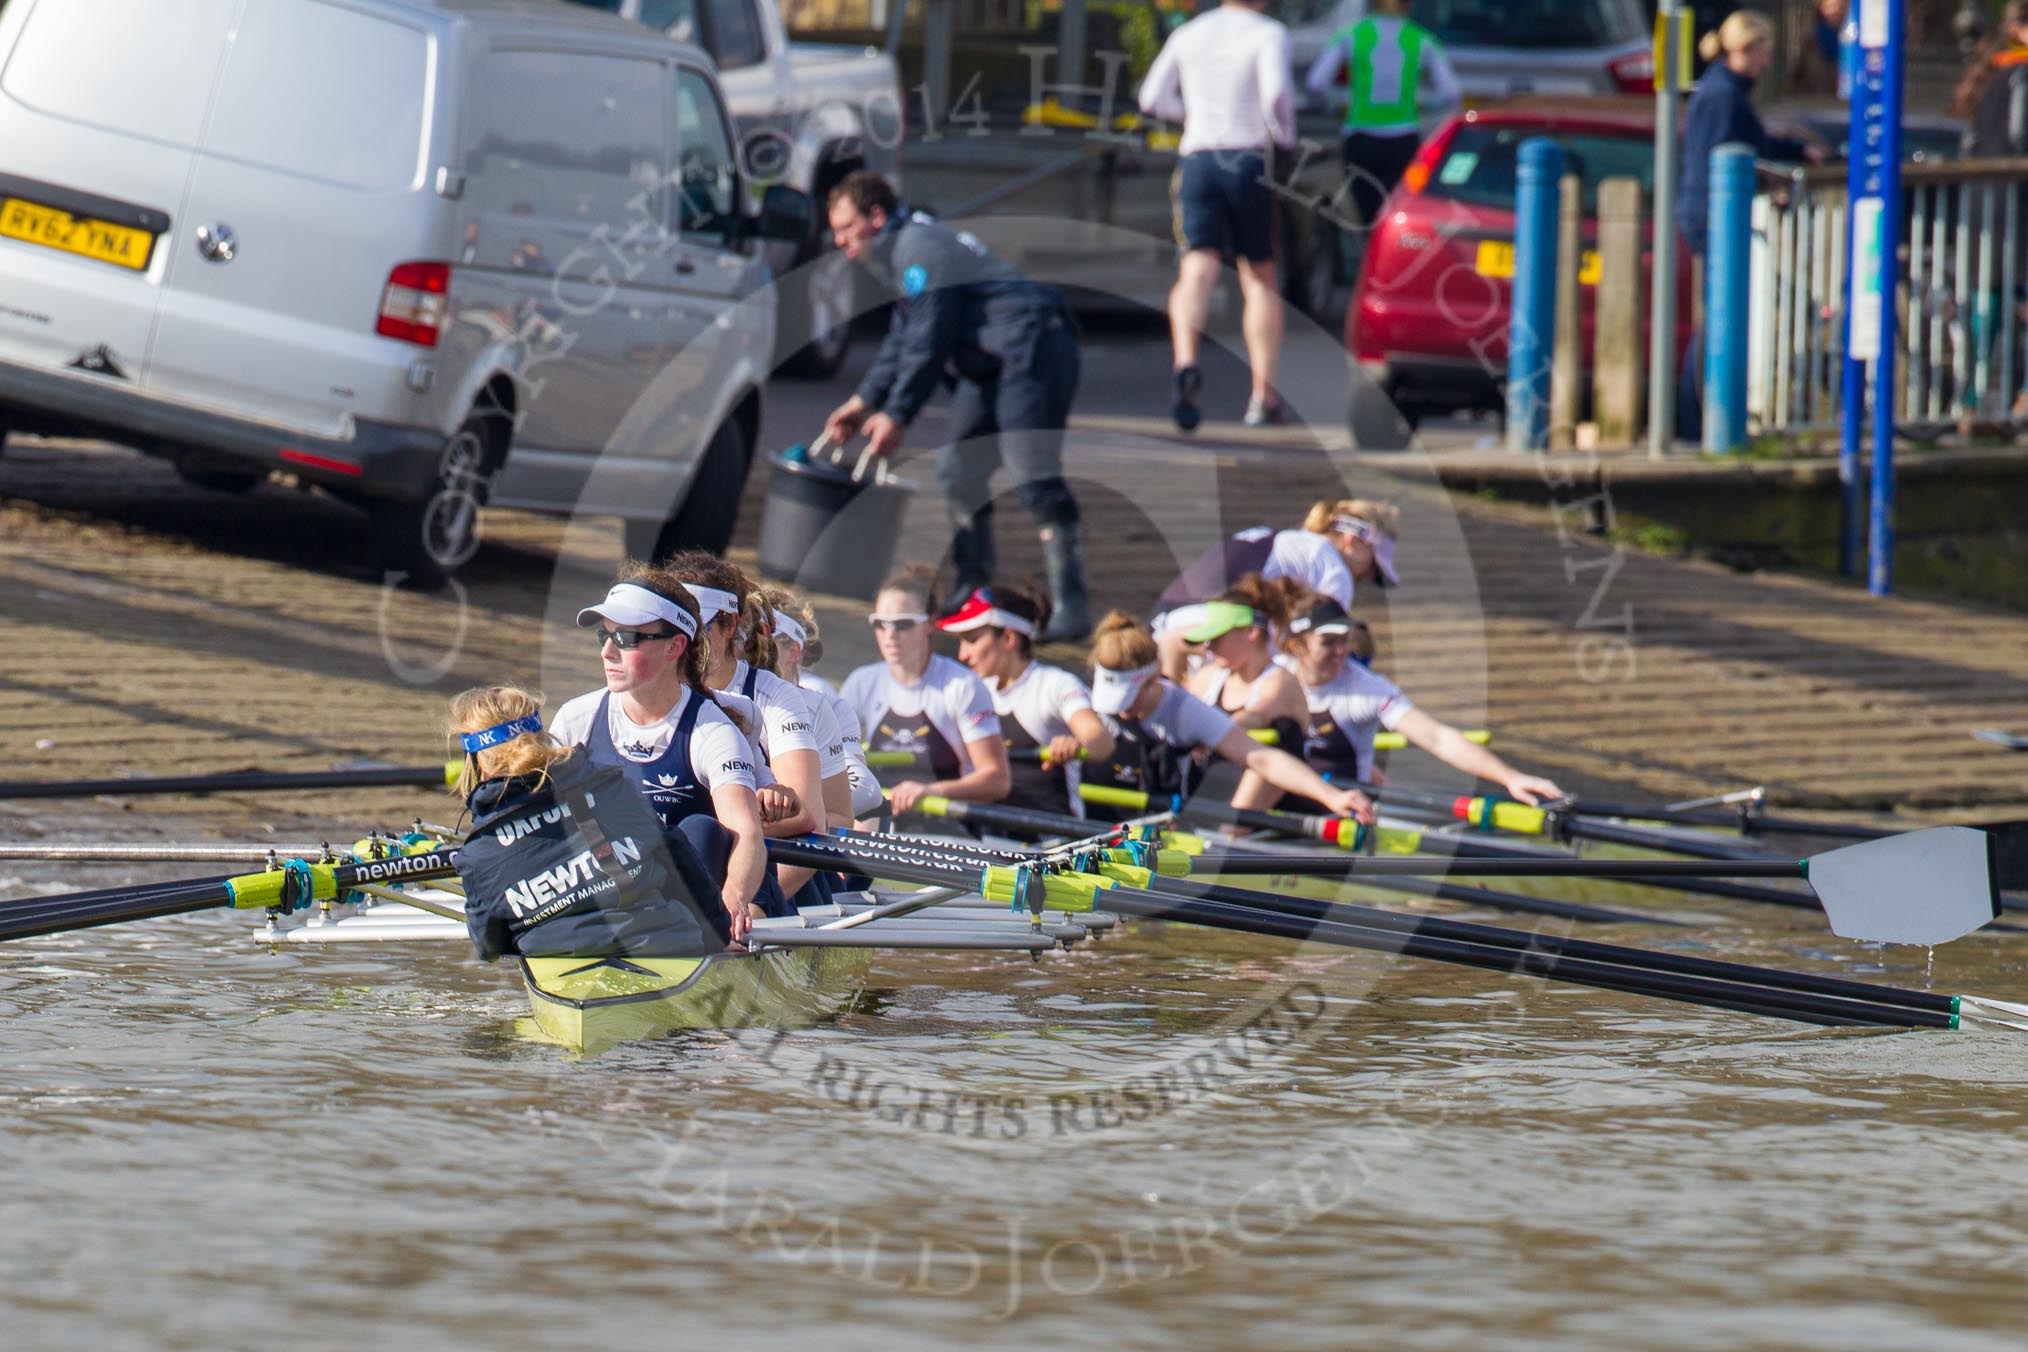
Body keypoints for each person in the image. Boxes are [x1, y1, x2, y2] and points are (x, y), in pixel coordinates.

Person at [820, 170, 1090, 640]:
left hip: (1033, 348)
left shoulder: (918, 249)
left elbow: (929, 342)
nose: (841, 242)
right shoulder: (903, 253)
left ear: (876, 217)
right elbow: (903, 336)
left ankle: (1072, 604)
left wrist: (897, 414)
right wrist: (863, 401)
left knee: (1032, 473)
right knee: (958, 470)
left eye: (846, 229)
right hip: (988, 363)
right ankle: (974, 586)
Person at [545, 572, 774, 932]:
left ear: (674, 647)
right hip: (620, 888)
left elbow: (747, 835)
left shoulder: (711, 731)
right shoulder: (577, 720)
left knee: (700, 829)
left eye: (626, 638)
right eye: (603, 635)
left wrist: (734, 896)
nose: (607, 651)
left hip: (704, 890)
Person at [449, 686, 747, 954]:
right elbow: (679, 858)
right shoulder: (611, 787)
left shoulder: (477, 854)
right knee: (696, 832)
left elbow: (489, 946)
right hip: (666, 945)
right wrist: (718, 937)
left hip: (564, 972)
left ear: (477, 765)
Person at [1136, 0, 1296, 429]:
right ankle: (1262, 398)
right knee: (1259, 275)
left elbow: (1151, 97)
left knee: (1197, 267)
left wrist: (1191, 115)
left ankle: (1185, 362)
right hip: (1247, 157)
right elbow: (1276, 93)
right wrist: (1283, 135)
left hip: (1199, 158)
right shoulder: (1268, 33)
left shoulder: (1189, 33)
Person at [660, 553, 844, 902]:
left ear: (729, 626)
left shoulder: (774, 698)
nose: (686, 640)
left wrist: (743, 909)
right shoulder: (640, 694)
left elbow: (810, 821)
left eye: (697, 626)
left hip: (773, 875)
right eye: (671, 626)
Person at [1676, 10, 1823, 441]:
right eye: (1764, 52)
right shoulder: (1722, 95)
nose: (1766, 62)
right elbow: (1725, 158)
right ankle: (1697, 420)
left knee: (1718, 316)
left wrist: (1796, 151)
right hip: (1714, 217)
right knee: (1719, 317)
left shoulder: (1724, 91)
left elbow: (1753, 145)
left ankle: (1698, 419)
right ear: (1744, 50)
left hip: (1709, 214)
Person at [1081, 611, 1375, 824]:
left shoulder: (1183, 710)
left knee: (1283, 735)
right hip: (1104, 818)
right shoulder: (1089, 707)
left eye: (1129, 700)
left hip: (1168, 824)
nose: (1121, 711)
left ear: (1152, 679)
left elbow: (1262, 758)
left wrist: (1332, 797)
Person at [1276, 595, 1564, 812]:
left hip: (1345, 816)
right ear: (1296, 646)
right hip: (1276, 810)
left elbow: (1438, 738)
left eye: (1344, 640)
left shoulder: (1366, 688)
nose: (1341, 652)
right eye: (1328, 642)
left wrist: (1509, 777)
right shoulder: (1274, 676)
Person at [1152, 498, 1400, 679]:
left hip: (1163, 623)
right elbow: (1324, 644)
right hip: (1196, 631)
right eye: (1374, 567)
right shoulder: (1333, 568)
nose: (1368, 577)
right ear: (1352, 541)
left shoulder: (1280, 537)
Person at [841, 564, 1012, 816]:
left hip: (949, 830)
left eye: (902, 625)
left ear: (930, 624)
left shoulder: (961, 686)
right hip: (881, 828)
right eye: (881, 624)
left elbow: (997, 780)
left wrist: (930, 791)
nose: (890, 635)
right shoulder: (861, 683)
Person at [940, 583, 1116, 817]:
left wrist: (1076, 745)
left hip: (1051, 839)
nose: (962, 654)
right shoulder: (973, 689)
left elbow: (1102, 742)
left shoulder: (1055, 684)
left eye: (971, 640)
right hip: (987, 832)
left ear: (1009, 639)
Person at [1304, 0, 1461, 247]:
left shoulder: (1352, 35)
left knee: (1368, 221)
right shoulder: (1421, 38)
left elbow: (1315, 83)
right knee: (1396, 217)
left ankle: (1371, 267)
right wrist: (1422, 107)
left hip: (1360, 138)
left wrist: (1334, 106)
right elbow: (1451, 93)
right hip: (1403, 139)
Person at [1952, 1, 2028, 420]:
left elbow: (1969, 142)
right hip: (2017, 202)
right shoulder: (2022, 72)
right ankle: (2019, 397)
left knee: (1991, 301)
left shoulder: (1987, 72)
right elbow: (2020, 136)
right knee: (2009, 297)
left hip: (1983, 205)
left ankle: (1972, 399)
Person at [755, 588, 887, 825]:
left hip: (802, 828)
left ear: (794, 652)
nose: (757, 653)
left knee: (868, 821)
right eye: (752, 642)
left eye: (768, 645)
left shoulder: (830, 708)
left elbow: (864, 790)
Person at [1179, 574, 1314, 757]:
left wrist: (1206, 734)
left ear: (1252, 632)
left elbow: (1257, 715)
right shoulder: (1207, 677)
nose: (1209, 645)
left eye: (1217, 637)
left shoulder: (1281, 682)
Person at [1784, 0, 1849, 99]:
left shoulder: (1853, 40)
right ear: (1821, 8)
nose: (1836, 11)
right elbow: (1798, 73)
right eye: (1830, 7)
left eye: (1841, 7)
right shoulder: (1811, 39)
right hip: (1816, 101)